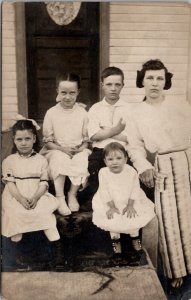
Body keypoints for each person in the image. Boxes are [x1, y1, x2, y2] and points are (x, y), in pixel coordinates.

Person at [126, 59, 191, 290]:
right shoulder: (135, 112)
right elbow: (134, 146)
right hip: (162, 164)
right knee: (168, 218)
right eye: (150, 78)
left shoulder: (181, 107)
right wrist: (143, 166)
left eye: (160, 78)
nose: (155, 83)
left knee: (189, 215)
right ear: (142, 81)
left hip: (187, 161)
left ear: (166, 81)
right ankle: (176, 272)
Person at [1, 117, 62, 266]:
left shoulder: (41, 160)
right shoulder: (9, 160)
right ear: (14, 141)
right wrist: (21, 199)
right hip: (16, 195)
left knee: (44, 214)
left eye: (27, 138)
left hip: (37, 194)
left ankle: (57, 256)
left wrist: (35, 197)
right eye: (19, 139)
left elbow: (43, 183)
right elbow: (10, 184)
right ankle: (15, 256)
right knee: (15, 214)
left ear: (34, 139)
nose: (23, 143)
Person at [41, 73, 91, 216]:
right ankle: (60, 197)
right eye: (63, 93)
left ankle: (72, 194)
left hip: (77, 149)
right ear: (57, 91)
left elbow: (86, 139)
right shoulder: (51, 113)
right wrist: (62, 149)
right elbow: (48, 141)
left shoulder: (82, 113)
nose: (67, 97)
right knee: (59, 159)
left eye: (72, 93)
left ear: (78, 92)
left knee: (82, 159)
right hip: (56, 149)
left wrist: (80, 149)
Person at [92, 142, 155, 255]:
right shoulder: (103, 172)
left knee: (132, 215)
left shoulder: (131, 171)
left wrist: (130, 205)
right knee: (112, 218)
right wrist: (111, 206)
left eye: (119, 158)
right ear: (105, 161)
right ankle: (116, 243)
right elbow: (104, 191)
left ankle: (135, 239)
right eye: (110, 159)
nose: (114, 162)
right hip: (110, 200)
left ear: (125, 159)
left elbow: (135, 189)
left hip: (130, 199)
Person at [88, 66, 128, 194]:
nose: (113, 88)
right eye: (109, 84)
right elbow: (94, 135)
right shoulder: (96, 108)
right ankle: (100, 202)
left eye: (117, 84)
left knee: (129, 171)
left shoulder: (129, 108)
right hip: (101, 151)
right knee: (94, 168)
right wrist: (117, 130)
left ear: (122, 85)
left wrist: (106, 130)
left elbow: (129, 137)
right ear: (102, 85)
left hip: (123, 151)